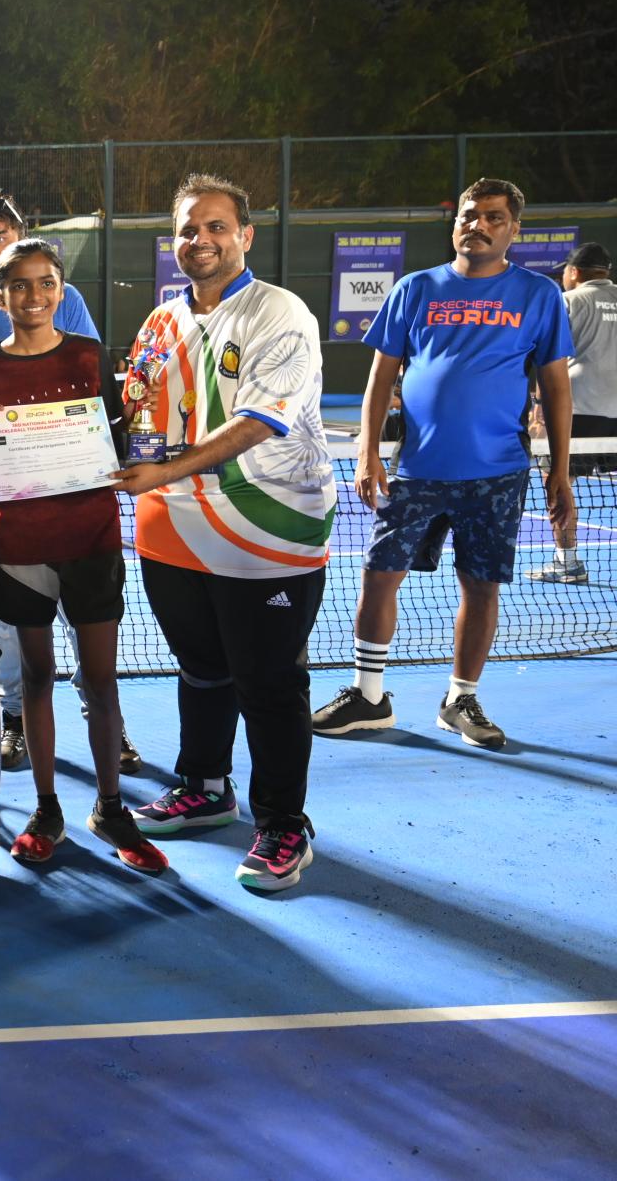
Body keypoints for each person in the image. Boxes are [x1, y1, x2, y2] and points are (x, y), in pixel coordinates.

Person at [114, 174, 334, 892]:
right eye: (188, 228)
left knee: (268, 680)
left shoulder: (279, 313)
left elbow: (258, 422)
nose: (200, 240)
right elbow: (140, 413)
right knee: (201, 666)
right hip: (171, 526)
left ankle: (284, 823)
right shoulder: (160, 321)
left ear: (245, 235)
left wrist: (164, 468)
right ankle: (205, 787)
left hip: (267, 526)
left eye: (215, 226)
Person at [313, 178, 573, 749]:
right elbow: (381, 377)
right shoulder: (415, 288)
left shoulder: (539, 295)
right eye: (469, 215)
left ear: (514, 230)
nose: (477, 225)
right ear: (455, 223)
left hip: (498, 474)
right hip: (416, 472)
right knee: (379, 576)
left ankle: (461, 700)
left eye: (494, 217)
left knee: (481, 587)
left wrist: (560, 471)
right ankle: (369, 696)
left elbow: (556, 388)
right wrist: (367, 452)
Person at [0, 240, 165, 873]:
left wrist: (145, 444)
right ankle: (46, 809)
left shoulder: (91, 357)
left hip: (92, 540)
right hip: (22, 545)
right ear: (0, 295)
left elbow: (124, 437)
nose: (34, 296)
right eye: (20, 285)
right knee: (38, 677)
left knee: (100, 680)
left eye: (46, 283)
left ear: (60, 289)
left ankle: (111, 807)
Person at [0, 190, 137, 774]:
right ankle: (14, 717)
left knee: (86, 624)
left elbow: (93, 396)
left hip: (77, 502)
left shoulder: (70, 309)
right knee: (13, 626)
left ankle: (106, 721)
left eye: (0, 238)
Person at [528, 242, 615, 583]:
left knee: (558, 481)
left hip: (578, 410)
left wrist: (539, 412)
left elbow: (550, 360)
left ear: (574, 272)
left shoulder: (569, 300)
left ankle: (567, 562)